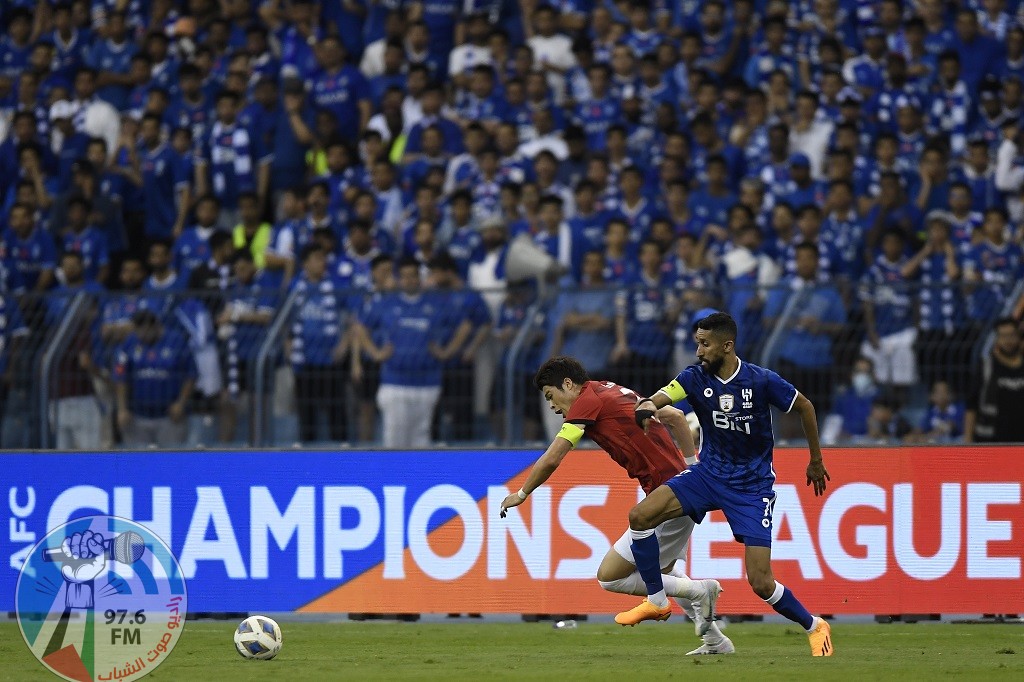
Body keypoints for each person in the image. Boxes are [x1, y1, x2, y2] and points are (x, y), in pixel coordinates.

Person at [609, 312, 834, 656]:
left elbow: (804, 406)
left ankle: (815, 625)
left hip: (751, 488)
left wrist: (815, 460)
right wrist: (646, 406)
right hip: (707, 476)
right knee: (640, 516)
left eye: (705, 344)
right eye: (696, 342)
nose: (698, 351)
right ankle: (656, 600)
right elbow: (660, 397)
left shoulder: (761, 381)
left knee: (760, 582)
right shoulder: (694, 378)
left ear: (727, 346)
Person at [500, 356, 733, 656]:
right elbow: (675, 416)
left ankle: (701, 591)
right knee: (665, 573)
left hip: (668, 495)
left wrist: (521, 493)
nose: (553, 406)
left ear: (568, 385)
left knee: (611, 576)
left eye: (551, 396)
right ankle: (716, 640)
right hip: (677, 491)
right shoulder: (612, 390)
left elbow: (554, 456)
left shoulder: (586, 401)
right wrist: (692, 469)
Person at [113, 310, 196, 448]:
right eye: (138, 331)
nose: (142, 335)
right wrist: (122, 409)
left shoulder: (176, 341)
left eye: (145, 331)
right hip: (137, 415)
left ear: (155, 326)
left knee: (170, 463)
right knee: (137, 463)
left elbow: (191, 374)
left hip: (169, 416)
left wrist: (181, 403)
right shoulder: (130, 342)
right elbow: (121, 376)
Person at [965, 317, 1024, 442]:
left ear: (1019, 336)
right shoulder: (986, 366)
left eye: (1011, 335)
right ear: (997, 338)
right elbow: (972, 404)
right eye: (1003, 335)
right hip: (990, 440)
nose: (1008, 340)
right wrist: (968, 439)